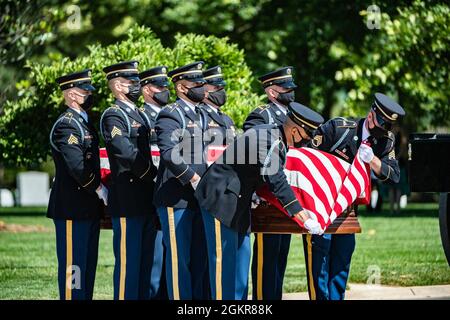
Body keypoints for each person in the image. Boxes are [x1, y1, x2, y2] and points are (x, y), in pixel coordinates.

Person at [195, 102, 325, 300]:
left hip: (238, 201)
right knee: (224, 265)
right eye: (307, 135)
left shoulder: (275, 136)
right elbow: (277, 181)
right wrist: (303, 218)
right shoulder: (269, 141)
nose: (307, 140)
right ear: (295, 130)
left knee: (240, 265)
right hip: (220, 200)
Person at [303, 92, 406, 300]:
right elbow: (308, 155)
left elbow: (394, 175)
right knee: (320, 261)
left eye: (387, 126)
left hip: (348, 212)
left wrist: (374, 161)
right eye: (380, 123)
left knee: (342, 262)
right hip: (322, 208)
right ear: (371, 115)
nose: (382, 130)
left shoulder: (386, 141)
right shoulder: (339, 129)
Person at [100, 61, 157, 300]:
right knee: (128, 263)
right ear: (119, 86)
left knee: (145, 263)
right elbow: (123, 150)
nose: (137, 87)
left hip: (146, 198)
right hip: (128, 197)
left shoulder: (140, 114)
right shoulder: (113, 115)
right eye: (133, 83)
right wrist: (150, 174)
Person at [48, 69, 107, 300]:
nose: (89, 95)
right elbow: (77, 167)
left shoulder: (83, 123)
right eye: (85, 91)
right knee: (75, 267)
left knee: (87, 264)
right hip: (72, 207)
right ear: (72, 94)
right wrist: (100, 188)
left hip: (86, 207)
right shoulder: (67, 125)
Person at [154, 61, 209, 300]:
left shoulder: (202, 114)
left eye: (201, 83)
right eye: (195, 84)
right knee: (180, 262)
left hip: (201, 199)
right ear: (181, 87)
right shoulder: (171, 114)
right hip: (177, 198)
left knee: (199, 260)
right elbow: (169, 153)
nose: (201, 88)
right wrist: (194, 178)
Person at [243, 67, 297, 300]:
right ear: (272, 92)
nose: (291, 92)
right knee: (268, 254)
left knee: (281, 254)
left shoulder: (294, 115)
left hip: (287, 193)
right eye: (285, 88)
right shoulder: (261, 115)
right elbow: (256, 152)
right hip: (267, 196)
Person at [138, 65, 171, 299]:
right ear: (147, 89)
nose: (164, 90)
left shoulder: (171, 113)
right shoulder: (141, 117)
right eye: (159, 86)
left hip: (169, 189)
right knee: (155, 264)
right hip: (149, 191)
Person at [200, 65, 236, 164]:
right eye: (216, 87)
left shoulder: (226, 118)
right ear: (204, 91)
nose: (221, 91)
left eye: (222, 87)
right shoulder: (200, 115)